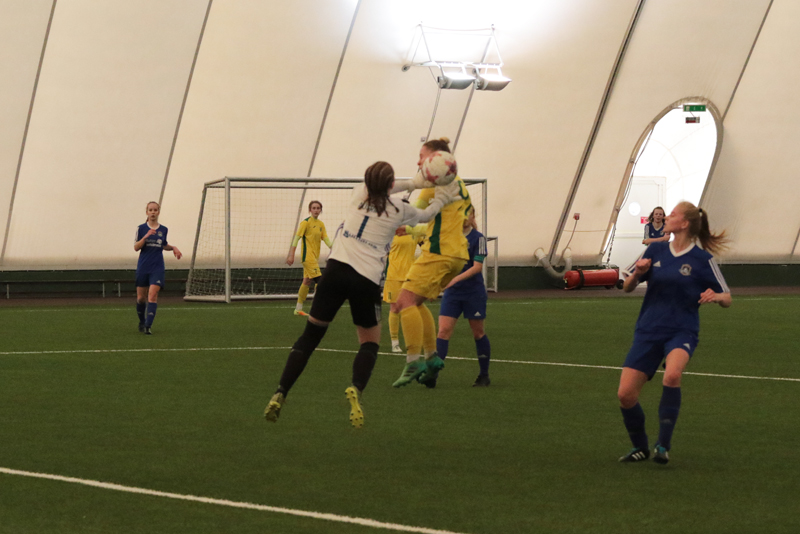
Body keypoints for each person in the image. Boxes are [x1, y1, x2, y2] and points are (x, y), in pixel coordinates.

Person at [264, 161, 446, 428]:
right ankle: (356, 388)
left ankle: (281, 391)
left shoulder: (357, 192)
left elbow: (384, 187)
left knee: (310, 337)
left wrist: (414, 182)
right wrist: (441, 194)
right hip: (366, 279)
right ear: (390, 184)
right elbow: (428, 215)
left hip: (335, 272)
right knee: (369, 343)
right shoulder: (400, 209)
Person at [618, 201, 730, 465]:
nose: (667, 217)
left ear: (685, 223)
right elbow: (627, 286)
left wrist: (716, 296)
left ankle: (662, 446)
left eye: (673, 214)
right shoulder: (655, 249)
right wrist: (638, 274)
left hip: (682, 330)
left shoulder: (702, 260)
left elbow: (727, 297)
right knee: (625, 395)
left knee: (672, 375)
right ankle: (640, 447)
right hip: (648, 330)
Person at [392, 137, 472, 388]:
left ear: (436, 159)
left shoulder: (434, 186)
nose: (418, 162)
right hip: (457, 255)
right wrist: (410, 230)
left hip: (438, 253)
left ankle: (412, 361)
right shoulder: (460, 184)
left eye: (422, 156)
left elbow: (415, 214)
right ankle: (431, 357)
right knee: (416, 302)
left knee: (402, 302)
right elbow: (455, 222)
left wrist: (394, 219)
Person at [431, 205, 491, 388]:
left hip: (473, 293)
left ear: (473, 216)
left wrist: (455, 279)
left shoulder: (479, 239)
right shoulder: (449, 236)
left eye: (468, 213)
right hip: (453, 293)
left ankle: (484, 375)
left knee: (478, 332)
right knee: (443, 331)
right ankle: (433, 374)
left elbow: (477, 267)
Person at [134, 201, 182, 335]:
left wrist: (173, 247)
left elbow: (163, 244)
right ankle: (142, 321)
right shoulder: (141, 228)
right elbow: (136, 247)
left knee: (153, 295)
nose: (153, 212)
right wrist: (146, 237)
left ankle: (148, 326)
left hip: (157, 267)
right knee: (141, 298)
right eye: (150, 210)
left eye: (155, 210)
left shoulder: (163, 229)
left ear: (158, 212)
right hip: (143, 266)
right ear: (147, 212)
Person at [383, 224, 426, 353]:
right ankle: (395, 342)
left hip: (410, 276)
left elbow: (426, 248)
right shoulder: (390, 231)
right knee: (395, 308)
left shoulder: (414, 231)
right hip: (394, 276)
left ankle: (413, 341)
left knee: (412, 308)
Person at [286, 200, 332, 316]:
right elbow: (296, 238)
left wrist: (334, 248)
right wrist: (291, 254)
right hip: (307, 257)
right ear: (310, 210)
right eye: (314, 208)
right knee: (320, 281)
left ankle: (298, 309)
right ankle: (318, 308)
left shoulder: (321, 224)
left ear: (321, 210)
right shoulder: (305, 223)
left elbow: (326, 238)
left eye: (318, 208)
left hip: (314, 258)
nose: (316, 210)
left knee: (306, 281)